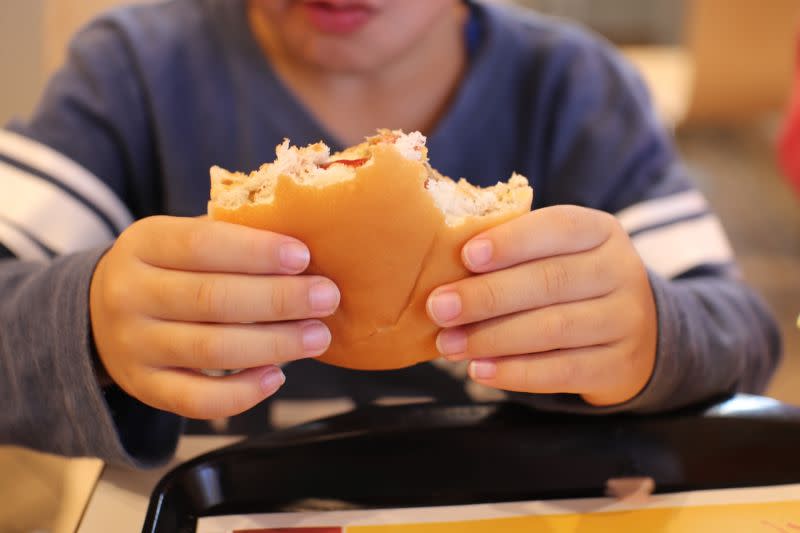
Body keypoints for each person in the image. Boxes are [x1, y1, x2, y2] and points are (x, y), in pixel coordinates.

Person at [0, 0, 780, 468]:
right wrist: (91, 320)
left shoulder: (576, 92)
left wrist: (649, 334)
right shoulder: (133, 72)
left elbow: (742, 331)